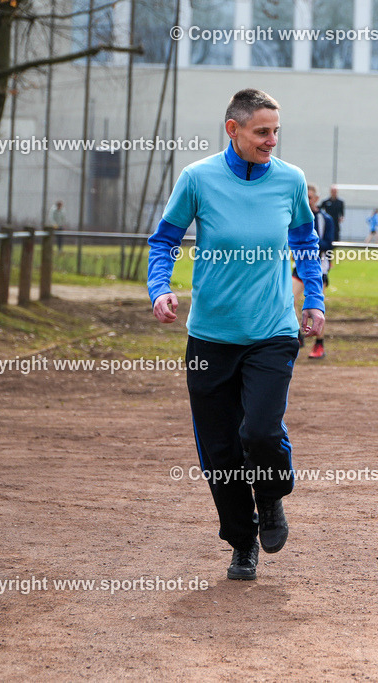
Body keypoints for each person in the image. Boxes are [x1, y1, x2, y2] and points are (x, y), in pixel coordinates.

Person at [147, 88, 325, 581]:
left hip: (271, 332)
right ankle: (241, 542)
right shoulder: (198, 178)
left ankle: (270, 497)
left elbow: (306, 242)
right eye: (261, 132)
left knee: (261, 432)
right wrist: (159, 289)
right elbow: (163, 240)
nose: (271, 141)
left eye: (275, 132)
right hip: (210, 337)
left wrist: (314, 298)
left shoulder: (290, 180)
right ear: (234, 129)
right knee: (220, 451)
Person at [298, 183, 333, 358]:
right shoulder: (297, 216)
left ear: (316, 199)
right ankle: (297, 334)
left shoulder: (324, 219)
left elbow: (329, 243)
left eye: (310, 197)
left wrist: (310, 244)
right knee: (288, 298)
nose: (307, 200)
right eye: (305, 197)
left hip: (319, 267)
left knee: (318, 306)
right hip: (298, 267)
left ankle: (319, 344)